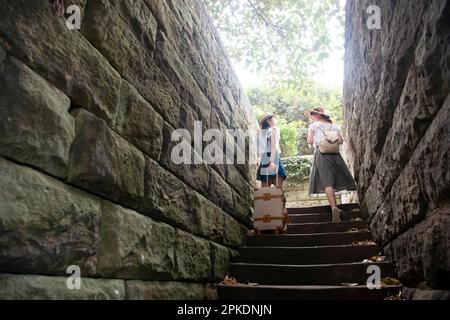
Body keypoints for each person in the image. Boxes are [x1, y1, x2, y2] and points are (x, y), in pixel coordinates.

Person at [305, 107, 357, 222]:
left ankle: (334, 207)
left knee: (327, 181)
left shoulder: (314, 126)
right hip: (334, 154)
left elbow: (309, 141)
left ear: (318, 115)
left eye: (313, 114)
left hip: (321, 154)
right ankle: (336, 207)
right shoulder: (334, 126)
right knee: (336, 178)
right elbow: (341, 141)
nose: (312, 117)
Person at [256, 114, 287, 189]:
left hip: (264, 158)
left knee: (265, 190)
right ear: (268, 120)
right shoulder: (274, 130)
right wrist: (272, 162)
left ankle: (267, 200)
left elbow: (260, 149)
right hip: (273, 156)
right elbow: (274, 146)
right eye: (274, 119)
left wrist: (259, 159)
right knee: (278, 188)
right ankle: (278, 200)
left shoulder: (260, 133)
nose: (275, 121)